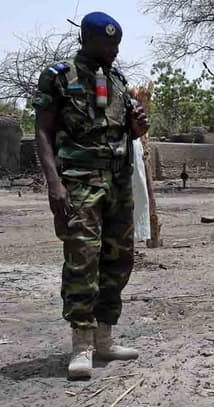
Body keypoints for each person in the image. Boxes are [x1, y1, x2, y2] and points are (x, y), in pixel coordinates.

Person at [33, 11, 149, 380]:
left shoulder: (117, 78)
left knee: (119, 259)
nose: (113, 51)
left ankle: (104, 338)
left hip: (117, 182)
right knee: (82, 260)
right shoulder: (58, 76)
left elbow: (123, 133)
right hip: (80, 183)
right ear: (87, 40)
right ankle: (81, 345)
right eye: (107, 44)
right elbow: (42, 131)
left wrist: (136, 127)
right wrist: (54, 183)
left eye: (116, 45)